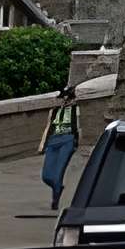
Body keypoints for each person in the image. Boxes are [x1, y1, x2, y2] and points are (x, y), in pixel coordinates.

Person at [38, 81, 83, 216]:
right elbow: (48, 128)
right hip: (53, 141)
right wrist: (42, 145)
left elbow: (78, 126)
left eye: (68, 98)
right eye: (63, 98)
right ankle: (58, 188)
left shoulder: (75, 109)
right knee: (46, 175)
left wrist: (76, 143)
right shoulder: (54, 111)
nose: (65, 101)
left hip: (67, 140)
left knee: (58, 173)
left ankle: (55, 199)